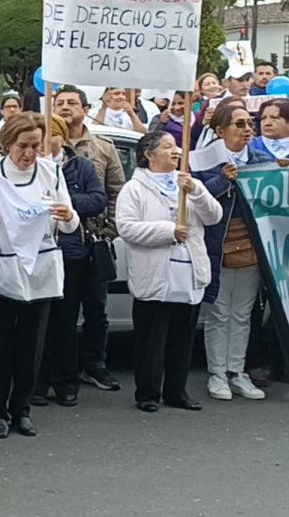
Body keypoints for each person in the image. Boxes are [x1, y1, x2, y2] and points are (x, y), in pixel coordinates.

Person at [0, 113, 79, 439]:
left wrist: (67, 215)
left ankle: (22, 409)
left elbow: (70, 224)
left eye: (35, 145)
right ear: (7, 144)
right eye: (23, 146)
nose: (29, 153)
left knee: (32, 348)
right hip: (4, 269)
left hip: (42, 270)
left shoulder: (51, 172)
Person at [118, 132, 222, 412]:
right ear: (149, 155)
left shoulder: (188, 183)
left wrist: (196, 192)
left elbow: (214, 216)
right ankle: (148, 393)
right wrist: (167, 231)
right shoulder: (134, 189)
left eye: (175, 147)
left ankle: (176, 391)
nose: (175, 152)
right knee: (151, 339)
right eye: (167, 148)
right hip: (155, 273)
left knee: (182, 337)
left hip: (188, 272)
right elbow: (126, 227)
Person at [193, 104, 275, 401]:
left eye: (249, 123)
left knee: (242, 314)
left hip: (252, 245)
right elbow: (195, 199)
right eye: (239, 124)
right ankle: (217, 373)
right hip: (219, 244)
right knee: (219, 312)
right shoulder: (203, 161)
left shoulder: (261, 159)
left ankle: (237, 371)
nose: (247, 129)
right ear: (220, 131)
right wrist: (221, 180)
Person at [52, 86, 124, 391]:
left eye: (71, 103)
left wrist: (109, 230)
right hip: (54, 243)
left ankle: (95, 364)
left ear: (86, 107)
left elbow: (116, 192)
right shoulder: (43, 147)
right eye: (59, 103)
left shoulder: (104, 147)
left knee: (96, 308)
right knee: (61, 313)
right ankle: (60, 371)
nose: (66, 107)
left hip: (92, 242)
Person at [34, 116, 106, 407]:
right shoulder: (29, 168)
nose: (42, 141)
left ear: (61, 138)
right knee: (39, 323)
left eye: (50, 134)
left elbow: (98, 199)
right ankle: (37, 382)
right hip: (37, 253)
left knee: (65, 322)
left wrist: (65, 203)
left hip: (71, 253)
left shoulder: (81, 167)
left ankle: (66, 381)